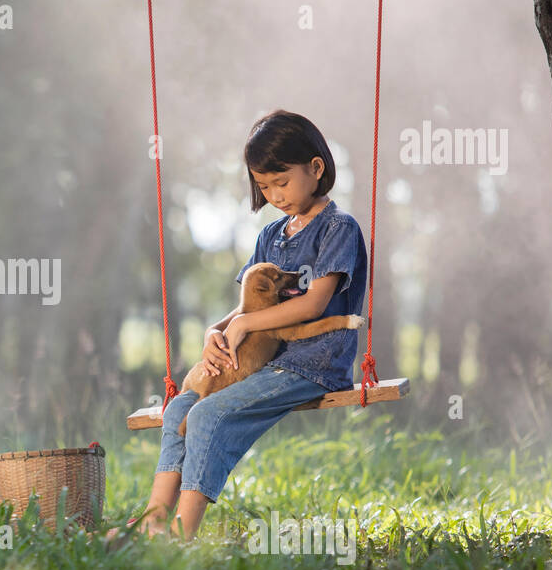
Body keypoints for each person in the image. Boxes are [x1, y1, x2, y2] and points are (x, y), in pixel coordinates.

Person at [113, 109, 369, 542]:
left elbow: (314, 304)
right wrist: (216, 330)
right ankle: (154, 519)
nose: (274, 194)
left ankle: (180, 535)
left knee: (208, 413)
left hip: (313, 362)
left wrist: (247, 322)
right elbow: (244, 307)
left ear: (316, 167)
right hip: (260, 363)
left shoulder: (337, 228)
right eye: (264, 186)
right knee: (179, 408)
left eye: (281, 182)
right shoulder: (271, 235)